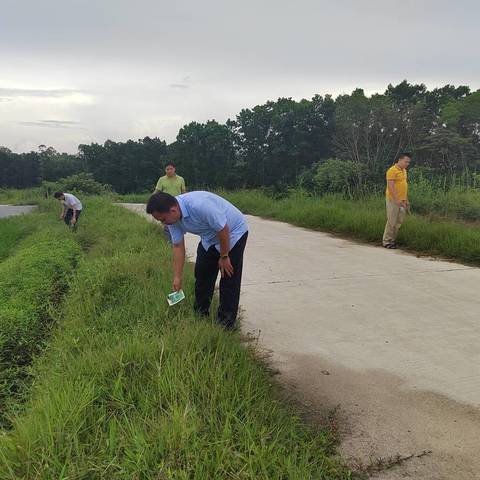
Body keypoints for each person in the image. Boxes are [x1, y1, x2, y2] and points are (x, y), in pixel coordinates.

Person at [146, 191, 248, 330]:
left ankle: (226, 324)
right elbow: (177, 246)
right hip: (209, 237)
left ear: (173, 210)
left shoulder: (200, 205)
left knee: (228, 276)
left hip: (233, 232)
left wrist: (224, 256)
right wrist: (177, 277)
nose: (163, 223)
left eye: (163, 219)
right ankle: (200, 314)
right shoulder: (172, 219)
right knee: (202, 273)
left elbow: (224, 229)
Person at [383, 152, 411, 249]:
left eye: (408, 163)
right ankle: (387, 241)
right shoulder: (392, 170)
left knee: (399, 221)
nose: (407, 164)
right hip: (393, 200)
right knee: (392, 221)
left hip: (402, 200)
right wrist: (396, 199)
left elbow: (404, 186)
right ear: (399, 160)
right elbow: (390, 186)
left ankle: (392, 240)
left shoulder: (404, 171)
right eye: (405, 162)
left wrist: (406, 199)